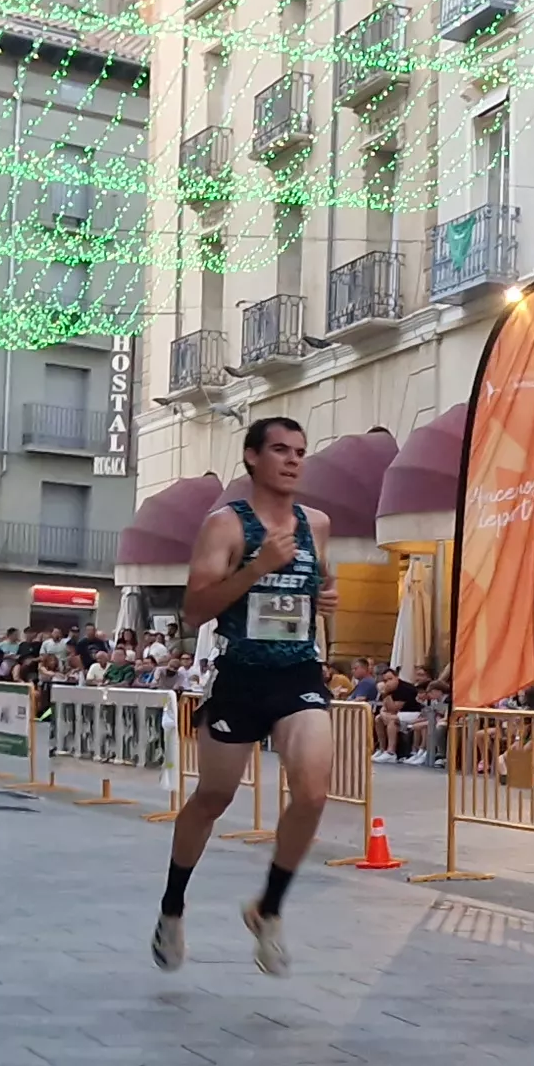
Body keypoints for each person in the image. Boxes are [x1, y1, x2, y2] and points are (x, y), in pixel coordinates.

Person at [155, 417, 339, 977]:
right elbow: (194, 610)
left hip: (298, 674)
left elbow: (319, 582)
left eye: (301, 452)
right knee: (214, 797)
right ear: (252, 457)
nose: (292, 461)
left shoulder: (317, 524)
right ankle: (172, 906)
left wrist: (325, 597)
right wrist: (258, 567)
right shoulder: (226, 526)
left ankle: (269, 907)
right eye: (280, 450)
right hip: (240, 676)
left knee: (312, 791)